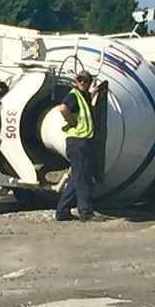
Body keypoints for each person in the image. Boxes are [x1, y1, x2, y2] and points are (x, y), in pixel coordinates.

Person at [55, 71, 96, 222]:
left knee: (76, 177)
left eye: (85, 81)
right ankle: (85, 212)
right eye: (80, 80)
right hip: (78, 141)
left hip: (82, 141)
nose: (83, 83)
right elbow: (63, 108)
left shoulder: (83, 96)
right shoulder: (74, 95)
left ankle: (62, 210)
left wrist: (95, 92)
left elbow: (87, 102)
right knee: (82, 178)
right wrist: (72, 122)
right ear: (76, 81)